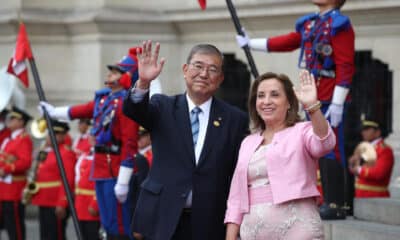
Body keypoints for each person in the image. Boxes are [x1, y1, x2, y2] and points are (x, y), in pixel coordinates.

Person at [236, 0, 354, 218]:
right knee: (319, 148)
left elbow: (346, 65)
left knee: (332, 148)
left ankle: (338, 204)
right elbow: (290, 41)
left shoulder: (340, 24)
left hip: (329, 95)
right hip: (314, 95)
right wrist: (251, 43)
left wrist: (338, 101)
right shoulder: (311, 23)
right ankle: (329, 200)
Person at [123, 40, 249, 240]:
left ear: (221, 78)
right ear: (185, 69)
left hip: (209, 221)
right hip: (162, 217)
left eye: (212, 69)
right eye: (198, 66)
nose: (204, 74)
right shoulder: (162, 106)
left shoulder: (235, 119)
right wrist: (143, 82)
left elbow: (238, 173)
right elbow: (133, 109)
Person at [39, 47, 144, 239]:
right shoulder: (105, 99)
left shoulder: (127, 103)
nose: (109, 74)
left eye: (115, 72)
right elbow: (81, 110)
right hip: (102, 167)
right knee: (107, 224)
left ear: (127, 76)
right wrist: (54, 112)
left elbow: (130, 143)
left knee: (120, 225)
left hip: (116, 169)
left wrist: (123, 179)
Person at [225, 70, 336, 240]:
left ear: (289, 102)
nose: (266, 101)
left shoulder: (302, 130)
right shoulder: (248, 142)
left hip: (299, 231)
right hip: (252, 233)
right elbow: (236, 198)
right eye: (261, 96)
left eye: (275, 95)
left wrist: (312, 107)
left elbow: (325, 144)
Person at [31, 120, 76, 240]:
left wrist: (62, 203)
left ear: (62, 136)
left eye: (53, 134)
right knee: (45, 235)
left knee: (55, 235)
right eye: (49, 134)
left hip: (55, 201)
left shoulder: (66, 153)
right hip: (43, 199)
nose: (49, 137)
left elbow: (68, 180)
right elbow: (40, 171)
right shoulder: (46, 152)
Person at [0, 107, 33, 240]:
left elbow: (25, 163)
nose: (10, 120)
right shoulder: (9, 139)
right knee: (7, 224)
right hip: (4, 188)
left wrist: (6, 169)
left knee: (15, 226)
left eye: (13, 118)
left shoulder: (23, 139)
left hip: (14, 189)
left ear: (21, 122)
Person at [348, 118, 394, 198]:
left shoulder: (385, 150)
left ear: (377, 132)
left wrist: (359, 170)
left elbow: (379, 173)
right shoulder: (364, 147)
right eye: (363, 130)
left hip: (375, 196)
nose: (363, 132)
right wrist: (353, 164)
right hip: (360, 194)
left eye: (367, 129)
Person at [74, 136, 101, 240]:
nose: (93, 137)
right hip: (81, 204)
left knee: (93, 235)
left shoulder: (103, 156)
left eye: (95, 135)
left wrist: (96, 203)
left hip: (92, 204)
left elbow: (102, 182)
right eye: (91, 135)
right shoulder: (85, 155)